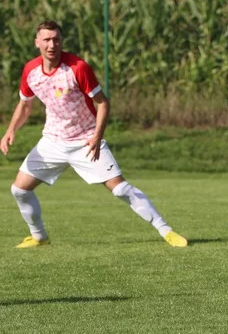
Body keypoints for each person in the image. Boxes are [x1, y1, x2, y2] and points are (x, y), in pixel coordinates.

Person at [1, 21, 187, 248]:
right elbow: (25, 105)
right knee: (19, 189)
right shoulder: (31, 70)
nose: (52, 44)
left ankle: (166, 231)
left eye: (56, 39)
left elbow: (103, 104)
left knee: (120, 189)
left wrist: (97, 137)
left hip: (85, 141)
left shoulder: (77, 67)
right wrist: (10, 130)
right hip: (52, 141)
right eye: (47, 40)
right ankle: (39, 237)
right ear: (37, 42)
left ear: (61, 42)